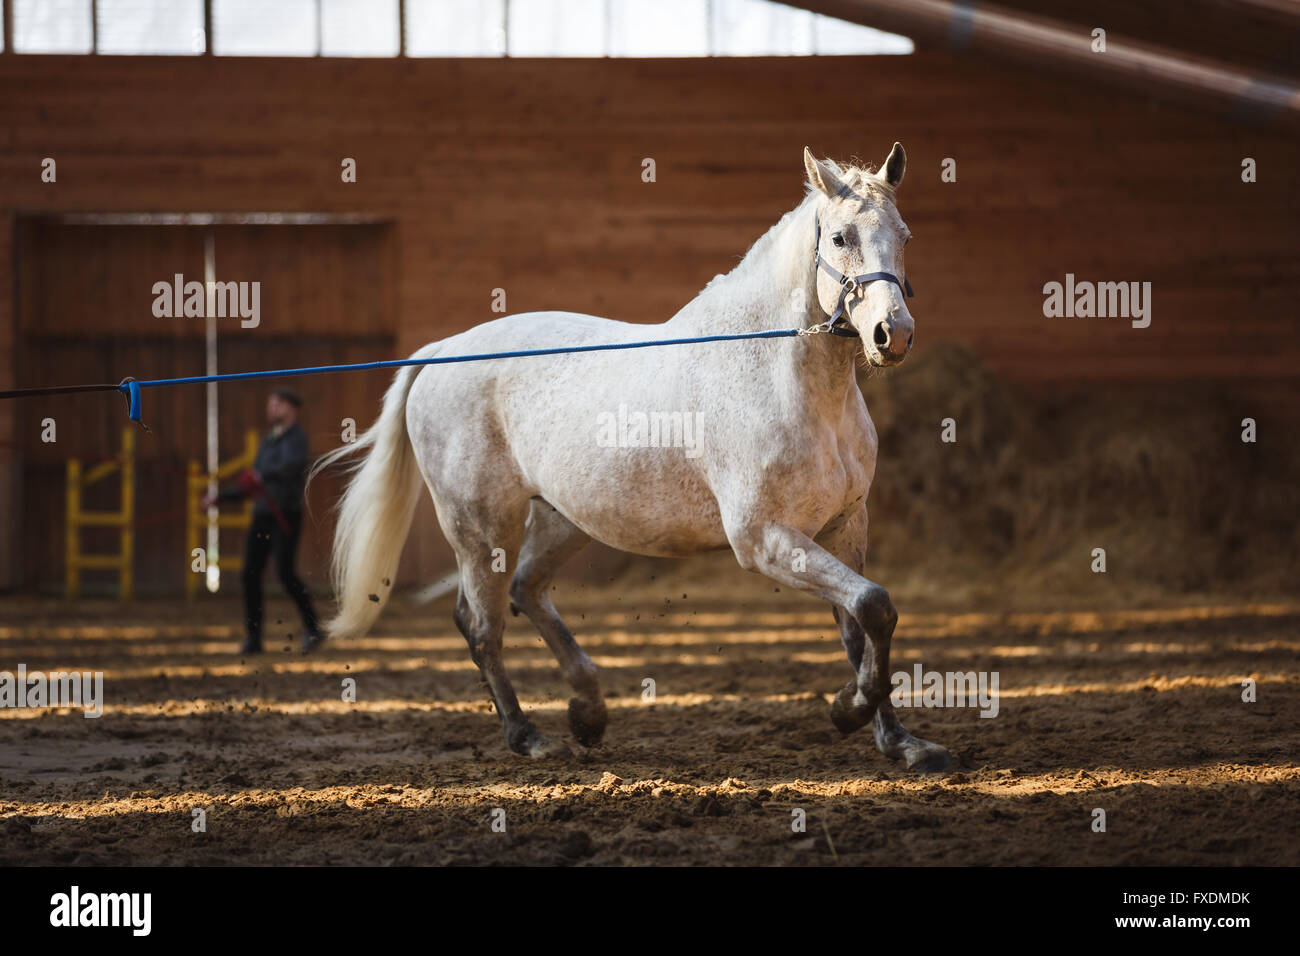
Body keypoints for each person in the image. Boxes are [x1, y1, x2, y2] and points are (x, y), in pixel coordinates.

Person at [203, 388, 324, 655]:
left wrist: (261, 477)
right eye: (271, 403)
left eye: (277, 403)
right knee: (250, 575)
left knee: (284, 573)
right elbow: (254, 480)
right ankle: (254, 637)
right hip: (262, 516)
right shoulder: (268, 440)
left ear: (291, 408)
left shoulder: (297, 439)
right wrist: (221, 497)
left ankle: (314, 629)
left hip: (285, 515)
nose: (272, 409)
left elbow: (288, 468)